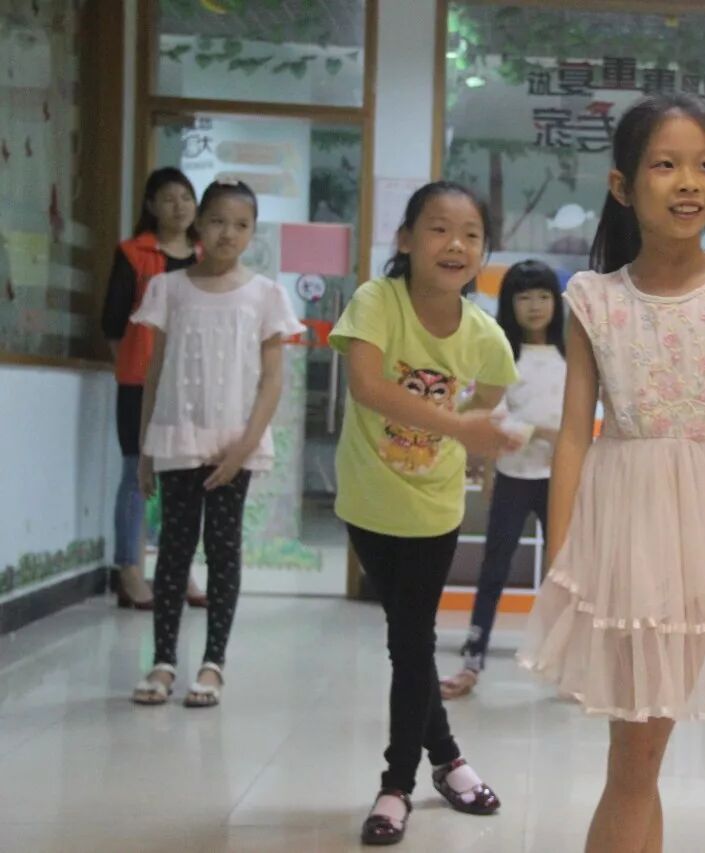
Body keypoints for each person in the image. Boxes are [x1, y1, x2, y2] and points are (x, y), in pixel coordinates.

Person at [517, 93, 705, 853]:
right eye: (666, 165)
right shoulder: (593, 298)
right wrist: (563, 559)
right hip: (622, 541)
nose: (689, 182)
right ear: (623, 186)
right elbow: (573, 439)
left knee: (638, 757)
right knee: (637, 759)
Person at [329, 181, 523, 846]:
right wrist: (459, 425)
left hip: (434, 508)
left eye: (471, 234)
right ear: (407, 239)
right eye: (439, 228)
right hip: (367, 501)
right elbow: (367, 385)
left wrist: (479, 435)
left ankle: (396, 784)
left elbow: (489, 402)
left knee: (409, 641)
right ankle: (447, 758)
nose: (455, 244)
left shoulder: (485, 335)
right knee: (409, 639)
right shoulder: (377, 301)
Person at [129, 180, 303, 708]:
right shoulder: (169, 288)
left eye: (241, 224)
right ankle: (163, 662)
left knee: (223, 550)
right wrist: (145, 450)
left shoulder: (265, 295)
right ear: (199, 224)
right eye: (219, 221)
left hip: (233, 444)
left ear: (252, 232)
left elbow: (272, 380)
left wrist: (244, 447)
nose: (229, 233)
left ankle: (213, 664)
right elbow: (155, 371)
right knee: (174, 550)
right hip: (177, 436)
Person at [441, 260, 567, 699]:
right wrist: (536, 434)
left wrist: (553, 436)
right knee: (494, 568)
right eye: (523, 297)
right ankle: (472, 660)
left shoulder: (571, 357)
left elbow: (579, 421)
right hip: (513, 476)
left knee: (565, 573)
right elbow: (492, 416)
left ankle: (567, 664)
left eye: (543, 296)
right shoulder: (502, 356)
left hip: (561, 480)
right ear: (509, 304)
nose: (534, 306)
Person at [100, 167, 206, 610]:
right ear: (150, 206)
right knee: (135, 473)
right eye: (168, 198)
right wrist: (133, 365)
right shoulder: (133, 253)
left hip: (192, 382)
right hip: (140, 381)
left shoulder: (204, 256)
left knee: (182, 476)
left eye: (186, 197)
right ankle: (129, 570)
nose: (179, 206)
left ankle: (177, 570)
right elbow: (113, 323)